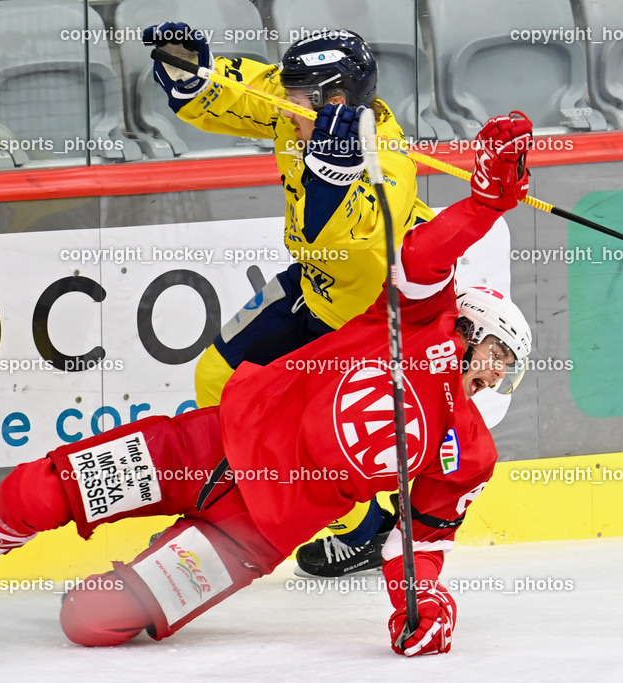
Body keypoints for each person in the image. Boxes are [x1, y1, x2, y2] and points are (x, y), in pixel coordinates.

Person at [0, 112, 533, 657]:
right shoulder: (415, 321)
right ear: (470, 324)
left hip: (252, 534)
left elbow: (420, 538)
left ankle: (128, 579)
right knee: (48, 486)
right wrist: (483, 204)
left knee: (89, 620)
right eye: (501, 351)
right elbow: (424, 256)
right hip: (208, 444)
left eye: (511, 366)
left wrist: (422, 606)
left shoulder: (471, 451)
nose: (500, 371)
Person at [143, 25, 435, 574]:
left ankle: (364, 527)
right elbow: (243, 92)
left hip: (364, 311)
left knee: (320, 435)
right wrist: (193, 77)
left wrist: (336, 175)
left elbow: (355, 235)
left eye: (295, 96)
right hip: (312, 281)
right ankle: (225, 497)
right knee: (217, 376)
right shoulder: (295, 109)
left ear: (337, 101)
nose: (284, 101)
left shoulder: (385, 161)